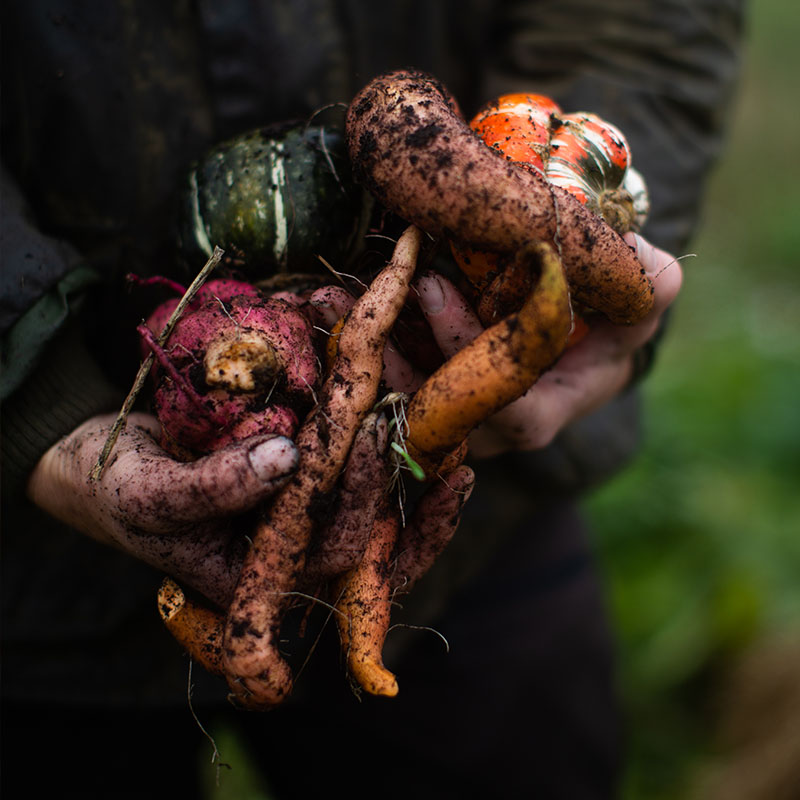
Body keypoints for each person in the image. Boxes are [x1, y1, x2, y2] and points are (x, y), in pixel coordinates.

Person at [1, 2, 743, 797]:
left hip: (482, 525)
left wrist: (577, 276)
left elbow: (643, 21)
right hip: (23, 586)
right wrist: (30, 385)